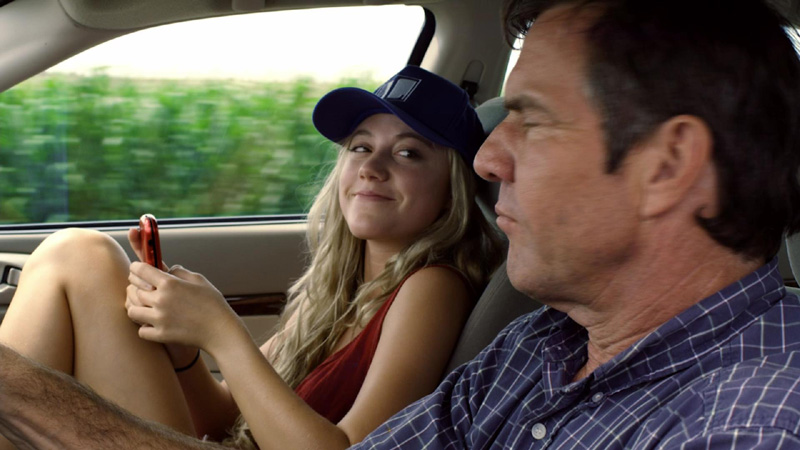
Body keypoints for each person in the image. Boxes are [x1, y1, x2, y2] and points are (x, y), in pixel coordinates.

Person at [349, 0, 800, 447]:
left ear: (668, 165)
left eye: (534, 120)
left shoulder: (755, 425)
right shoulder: (538, 343)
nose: (485, 161)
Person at [0, 65, 503, 449]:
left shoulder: (433, 286)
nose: (372, 167)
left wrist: (220, 330)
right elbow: (225, 417)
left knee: (81, 254)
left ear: (453, 187)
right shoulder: (337, 288)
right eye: (360, 147)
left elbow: (352, 447)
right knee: (76, 253)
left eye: (408, 152)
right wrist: (183, 349)